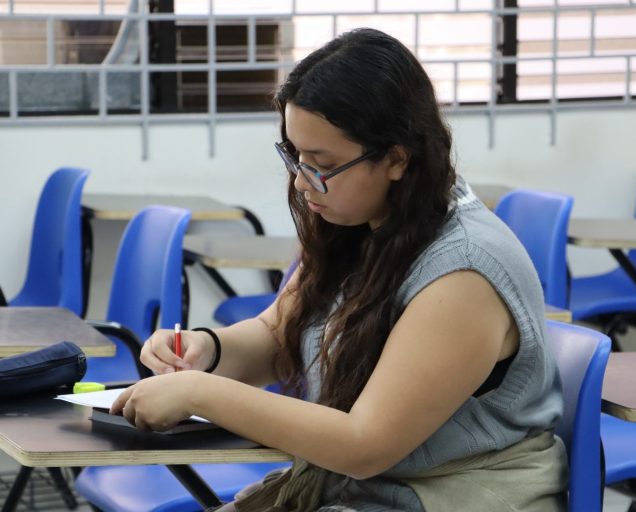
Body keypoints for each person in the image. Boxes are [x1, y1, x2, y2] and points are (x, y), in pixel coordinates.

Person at [111, 28, 568, 511]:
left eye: (321, 163)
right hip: (368, 490)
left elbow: (365, 444)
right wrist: (207, 350)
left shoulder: (464, 274)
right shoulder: (358, 225)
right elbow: (278, 336)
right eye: (295, 156)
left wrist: (199, 393)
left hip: (452, 497)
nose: (301, 182)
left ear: (396, 158)